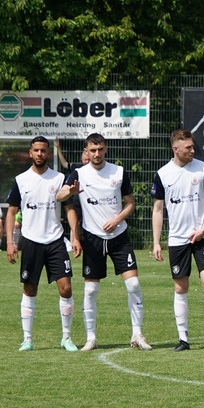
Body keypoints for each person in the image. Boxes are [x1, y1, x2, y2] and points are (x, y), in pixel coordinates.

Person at [57, 133, 148, 351]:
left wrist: (117, 219)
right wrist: (70, 191)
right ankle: (91, 338)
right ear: (86, 151)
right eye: (92, 150)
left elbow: (130, 203)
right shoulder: (79, 173)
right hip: (92, 238)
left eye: (100, 149)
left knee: (133, 285)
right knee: (90, 290)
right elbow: (59, 196)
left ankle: (137, 334)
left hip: (119, 237)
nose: (97, 154)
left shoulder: (119, 172)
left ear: (106, 149)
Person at [152, 129, 204, 351]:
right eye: (188, 148)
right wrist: (156, 242)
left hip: (203, 236)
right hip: (177, 239)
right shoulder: (163, 174)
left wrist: (202, 229)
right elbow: (158, 209)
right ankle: (183, 338)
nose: (193, 150)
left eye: (193, 146)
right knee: (181, 287)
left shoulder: (203, 169)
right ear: (176, 149)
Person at [4, 136, 77, 351]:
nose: (39, 154)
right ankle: (27, 339)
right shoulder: (21, 180)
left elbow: (69, 209)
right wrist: (10, 242)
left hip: (55, 241)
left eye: (43, 150)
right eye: (36, 150)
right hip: (31, 241)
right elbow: (11, 212)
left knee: (66, 288)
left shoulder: (59, 178)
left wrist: (75, 236)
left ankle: (66, 338)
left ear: (48, 153)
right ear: (30, 153)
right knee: (30, 288)